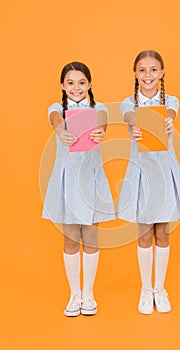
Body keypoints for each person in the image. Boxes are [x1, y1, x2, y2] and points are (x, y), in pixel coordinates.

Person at [117, 50, 180, 314]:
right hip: (141, 174)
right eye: (142, 70)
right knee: (144, 232)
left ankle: (160, 288)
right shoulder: (129, 103)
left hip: (164, 172)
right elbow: (129, 116)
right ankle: (145, 289)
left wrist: (169, 121)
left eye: (153, 70)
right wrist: (135, 125)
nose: (147, 75)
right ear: (135, 74)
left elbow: (171, 112)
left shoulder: (171, 100)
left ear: (162, 73)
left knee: (163, 231)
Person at [42, 62, 115, 316]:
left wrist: (100, 132)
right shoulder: (57, 109)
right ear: (62, 85)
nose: (76, 88)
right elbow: (53, 119)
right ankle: (74, 295)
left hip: (91, 179)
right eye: (70, 83)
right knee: (71, 239)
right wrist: (61, 130)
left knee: (91, 238)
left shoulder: (99, 108)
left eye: (82, 82)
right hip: (68, 179)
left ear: (90, 85)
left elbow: (103, 122)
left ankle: (88, 293)